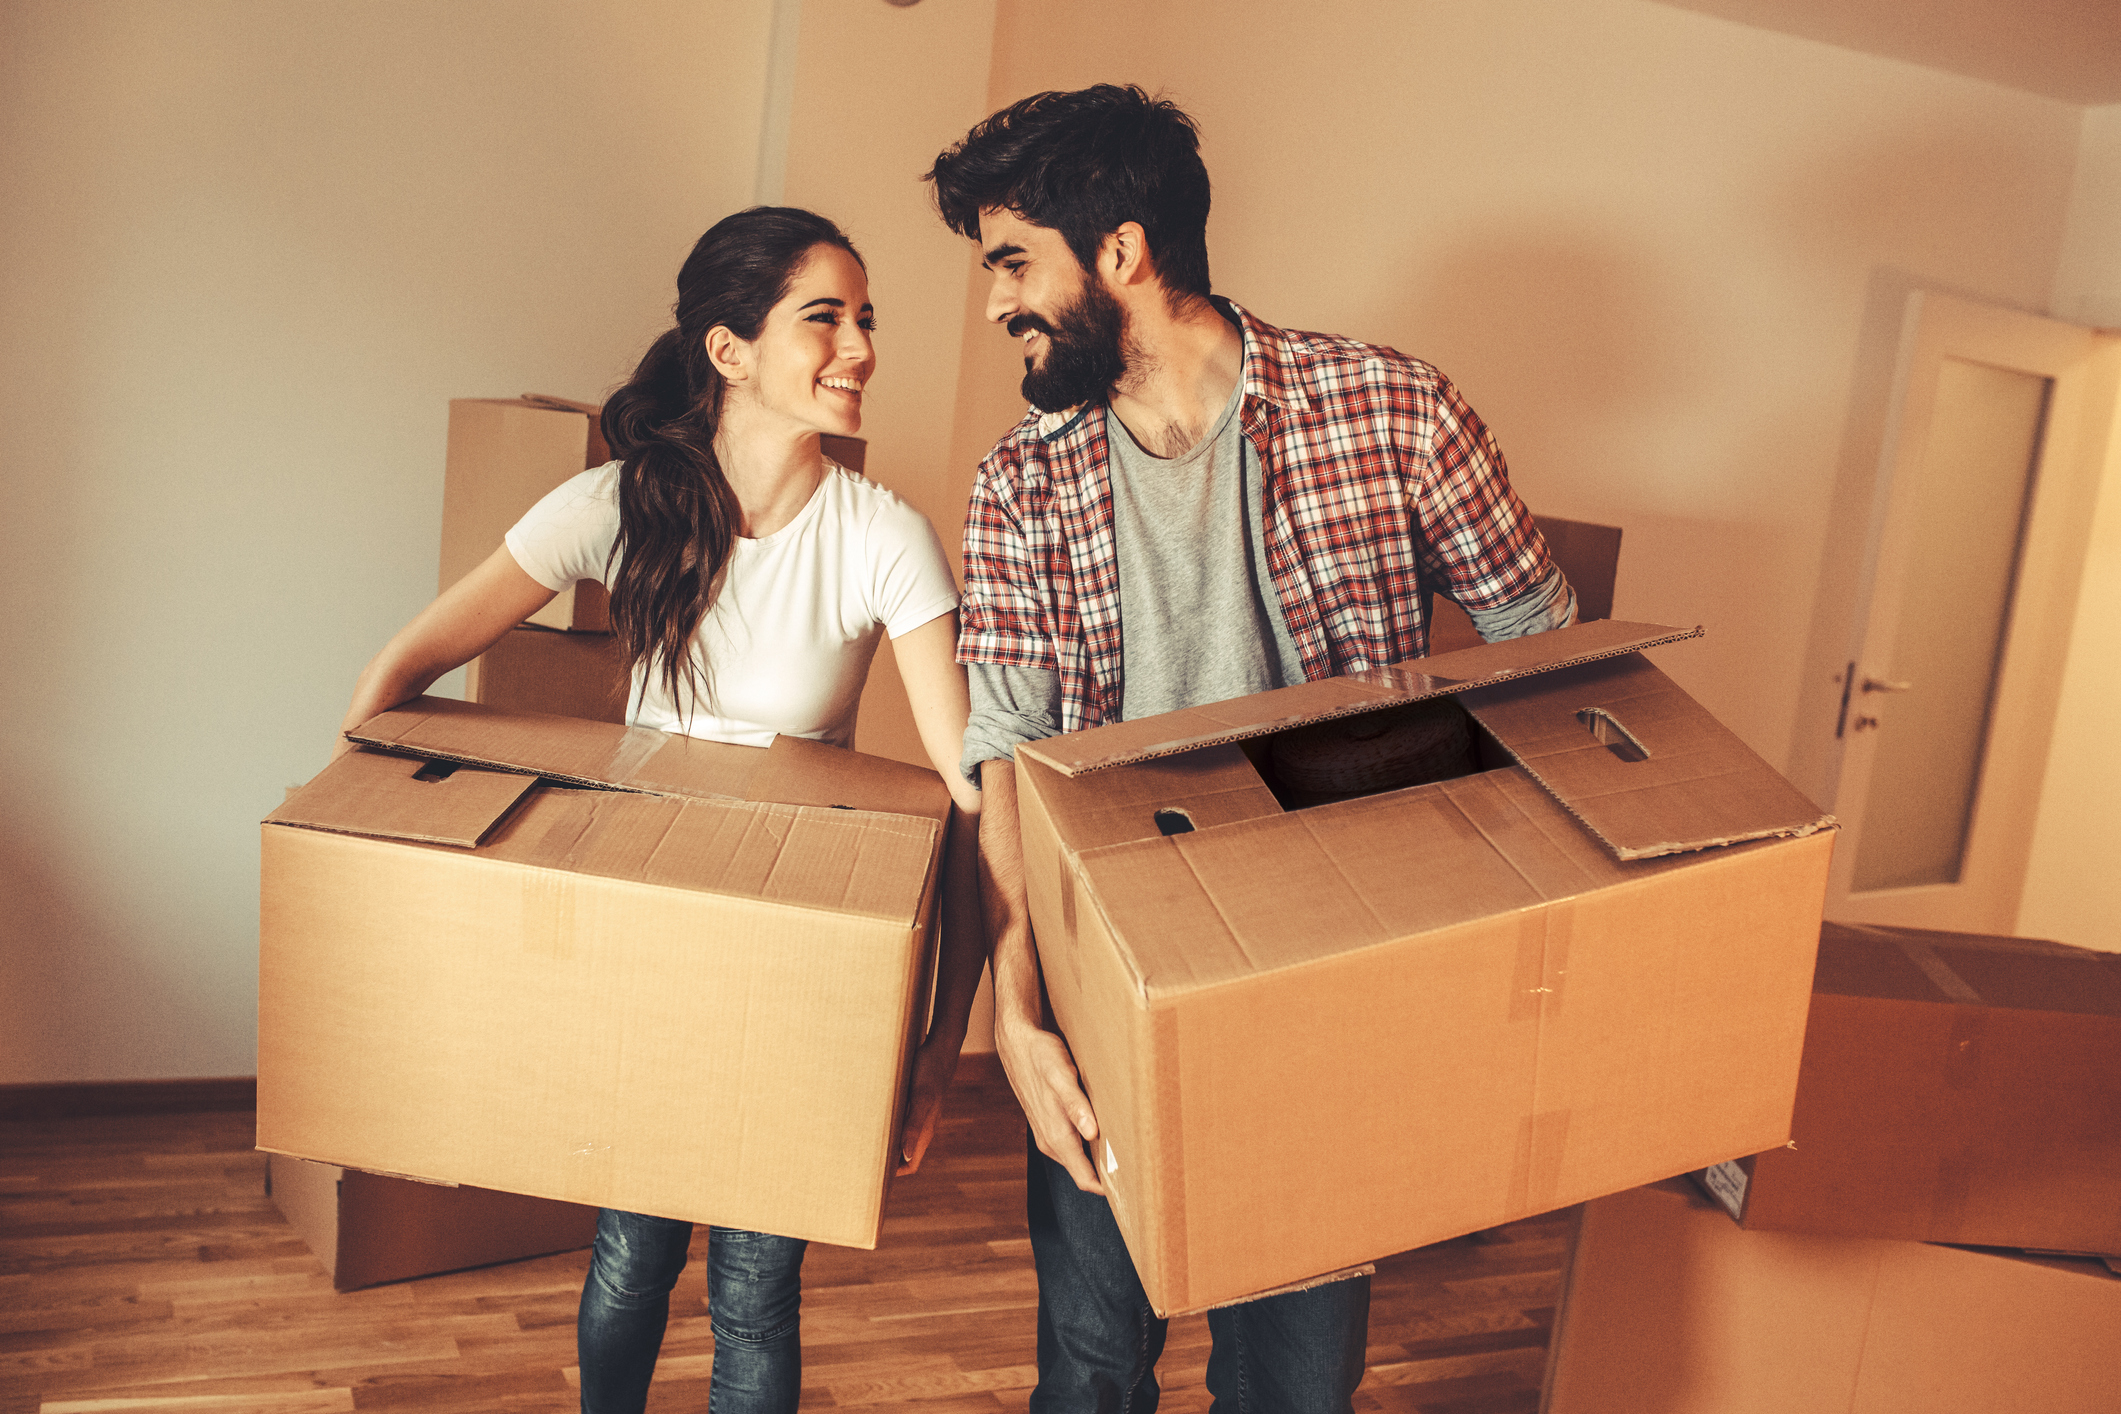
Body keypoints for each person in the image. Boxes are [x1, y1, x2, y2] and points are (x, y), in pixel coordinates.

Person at [925, 86, 1576, 1414]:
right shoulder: (1019, 481)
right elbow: (1005, 754)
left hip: (1324, 973)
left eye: (1009, 261)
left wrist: (1478, 925)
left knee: (1293, 1383)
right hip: (1114, 961)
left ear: (1119, 252)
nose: (994, 303)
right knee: (1094, 1367)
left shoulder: (1392, 409)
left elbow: (1550, 660)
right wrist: (1017, 998)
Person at [333, 207, 986, 1414]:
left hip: (797, 961)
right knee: (631, 1258)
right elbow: (403, 669)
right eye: (824, 317)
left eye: (866, 317)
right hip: (651, 949)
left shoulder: (881, 535)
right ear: (730, 350)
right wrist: (372, 840)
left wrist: (941, 1052)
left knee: (754, 1290)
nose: (861, 346)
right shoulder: (620, 504)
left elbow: (966, 800)